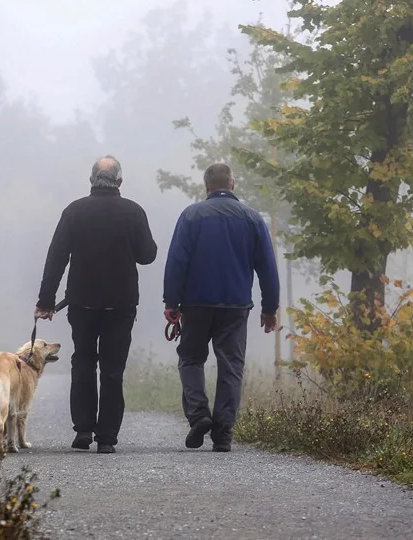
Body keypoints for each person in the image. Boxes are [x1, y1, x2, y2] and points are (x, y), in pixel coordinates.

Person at [35, 155, 157, 454]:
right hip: (121, 305)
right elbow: (147, 255)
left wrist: (46, 301)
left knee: (83, 363)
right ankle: (107, 438)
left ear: (91, 180)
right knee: (113, 370)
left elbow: (56, 258)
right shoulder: (133, 212)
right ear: (119, 181)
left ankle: (83, 430)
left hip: (82, 303)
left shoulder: (74, 211)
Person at [162, 163, 279, 452]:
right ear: (233, 184)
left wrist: (171, 302)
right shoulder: (252, 218)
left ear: (207, 187)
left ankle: (199, 415)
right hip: (236, 306)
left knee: (191, 359)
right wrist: (270, 308)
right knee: (231, 366)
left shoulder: (191, 215)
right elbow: (267, 267)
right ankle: (223, 434)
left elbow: (177, 261)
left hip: (196, 304)